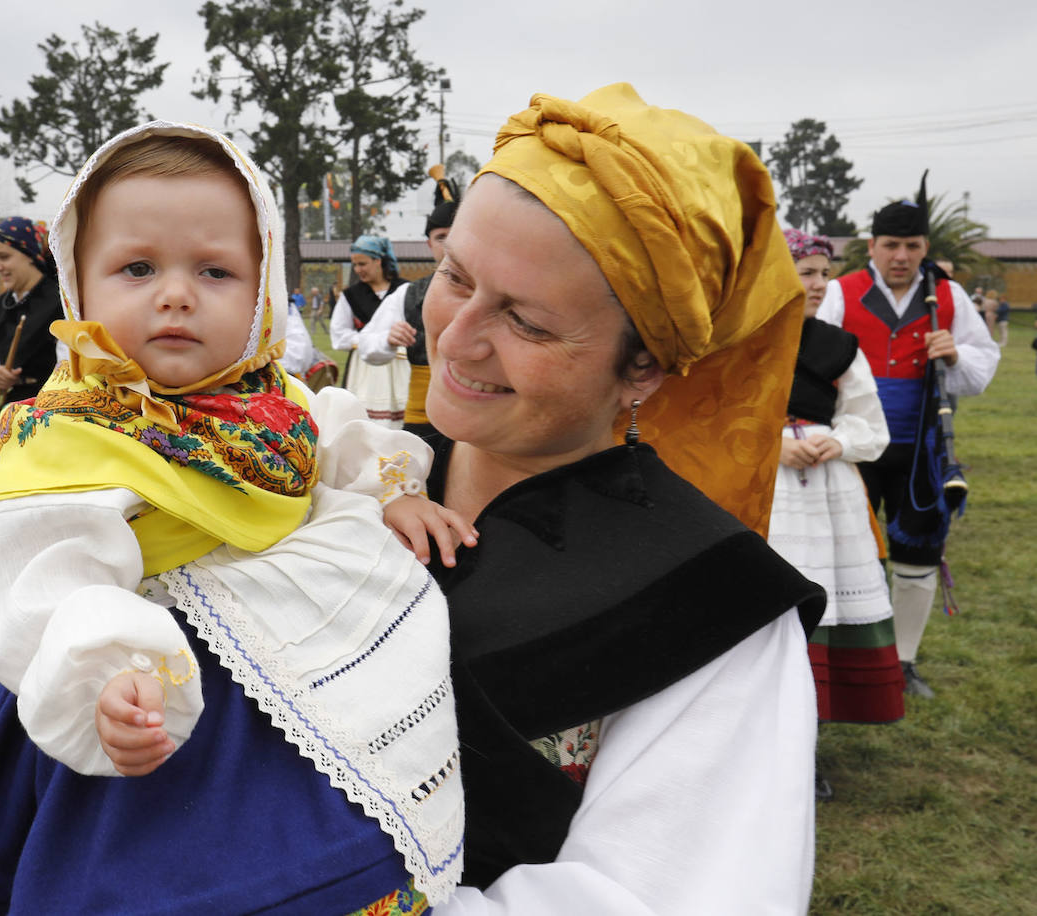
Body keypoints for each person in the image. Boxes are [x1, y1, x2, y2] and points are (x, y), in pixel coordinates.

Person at [0, 121, 470, 913]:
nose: (176, 292)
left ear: (262, 290)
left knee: (331, 852)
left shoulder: (275, 404)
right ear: (80, 282)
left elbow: (345, 438)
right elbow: (47, 581)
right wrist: (107, 675)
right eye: (138, 267)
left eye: (215, 271)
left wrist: (395, 490)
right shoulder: (69, 437)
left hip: (297, 689)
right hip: (154, 709)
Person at [412, 86, 826, 913]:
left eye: (526, 322)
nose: (455, 339)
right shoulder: (352, 474)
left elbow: (666, 895)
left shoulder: (709, 605)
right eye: (453, 276)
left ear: (641, 371)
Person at [818, 172, 1000, 698]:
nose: (901, 255)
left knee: (917, 558)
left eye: (912, 245)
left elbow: (982, 367)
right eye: (891, 245)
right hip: (851, 446)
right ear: (871, 246)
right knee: (846, 555)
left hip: (920, 449)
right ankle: (844, 658)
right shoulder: (840, 293)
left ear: (925, 247)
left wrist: (956, 352)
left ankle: (903, 660)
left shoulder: (948, 295)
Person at [771, 229, 900, 802]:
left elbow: (870, 424)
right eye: (807, 273)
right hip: (763, 493)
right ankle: (759, 745)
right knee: (768, 615)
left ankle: (808, 747)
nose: (820, 284)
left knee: (818, 613)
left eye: (824, 273)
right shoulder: (737, 342)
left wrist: (837, 441)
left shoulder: (837, 346)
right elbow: (709, 418)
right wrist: (769, 445)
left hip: (825, 500)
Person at [358, 166, 459, 441]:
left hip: (480, 417)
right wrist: (389, 339)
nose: (450, 244)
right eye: (441, 237)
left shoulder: (494, 290)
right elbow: (366, 344)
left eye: (457, 233)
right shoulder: (408, 294)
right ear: (429, 244)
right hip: (422, 416)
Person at [0, 217, 67, 442]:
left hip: (55, 413)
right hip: (11, 414)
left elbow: (70, 368)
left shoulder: (62, 302)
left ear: (29, 255)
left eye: (4, 257)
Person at [330, 236, 410, 427]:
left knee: (405, 423)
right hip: (364, 367)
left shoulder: (405, 290)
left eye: (362, 263)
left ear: (378, 261)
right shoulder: (351, 296)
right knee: (366, 424)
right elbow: (339, 334)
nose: (358, 270)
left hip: (402, 365)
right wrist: (370, 340)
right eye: (355, 264)